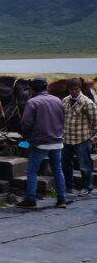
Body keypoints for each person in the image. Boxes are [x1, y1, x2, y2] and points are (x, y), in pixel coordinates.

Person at [17, 77, 67, 208]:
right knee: (58, 170)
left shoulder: (32, 102)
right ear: (46, 87)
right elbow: (63, 119)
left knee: (32, 171)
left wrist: (26, 136)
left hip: (40, 143)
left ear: (32, 89)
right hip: (57, 141)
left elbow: (26, 122)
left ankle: (31, 200)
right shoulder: (57, 100)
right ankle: (62, 199)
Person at [61, 78, 97, 197]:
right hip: (67, 138)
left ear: (79, 88)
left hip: (82, 138)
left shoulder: (87, 103)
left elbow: (95, 121)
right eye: (71, 90)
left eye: (76, 89)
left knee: (84, 165)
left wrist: (91, 134)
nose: (73, 92)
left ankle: (87, 187)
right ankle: (68, 185)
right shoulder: (65, 101)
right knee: (65, 163)